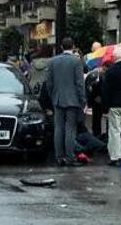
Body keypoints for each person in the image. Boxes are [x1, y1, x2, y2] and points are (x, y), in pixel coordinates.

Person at [46, 37, 86, 166]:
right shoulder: (76, 61)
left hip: (57, 98)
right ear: (73, 47)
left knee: (58, 128)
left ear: (62, 47)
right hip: (73, 100)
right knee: (70, 129)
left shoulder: (53, 61)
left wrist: (53, 96)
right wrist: (83, 100)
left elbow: (49, 83)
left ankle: (59, 157)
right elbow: (80, 84)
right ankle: (70, 157)